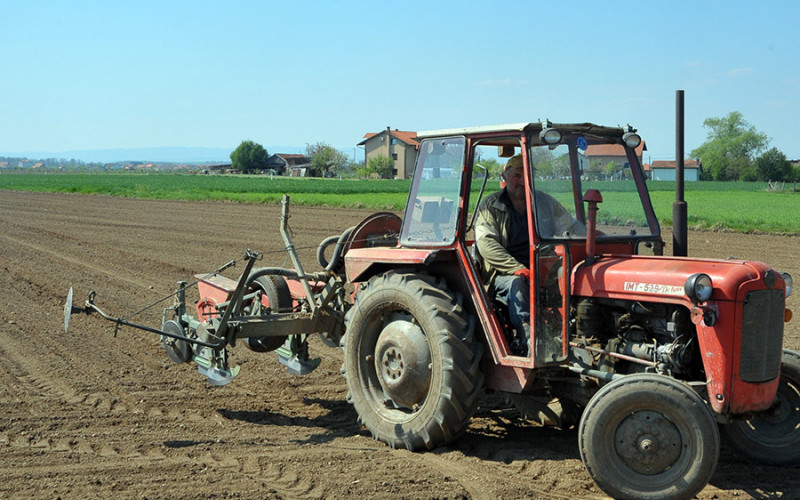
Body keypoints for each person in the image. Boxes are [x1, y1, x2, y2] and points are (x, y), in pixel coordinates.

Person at [474, 154, 584, 356]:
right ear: (505, 177)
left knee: (572, 276)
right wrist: (517, 268)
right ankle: (530, 343)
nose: (522, 181)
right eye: (517, 175)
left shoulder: (544, 202)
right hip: (503, 273)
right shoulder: (490, 206)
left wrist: (592, 238)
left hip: (542, 267)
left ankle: (573, 333)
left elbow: (570, 227)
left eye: (527, 175)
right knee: (518, 285)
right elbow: (486, 244)